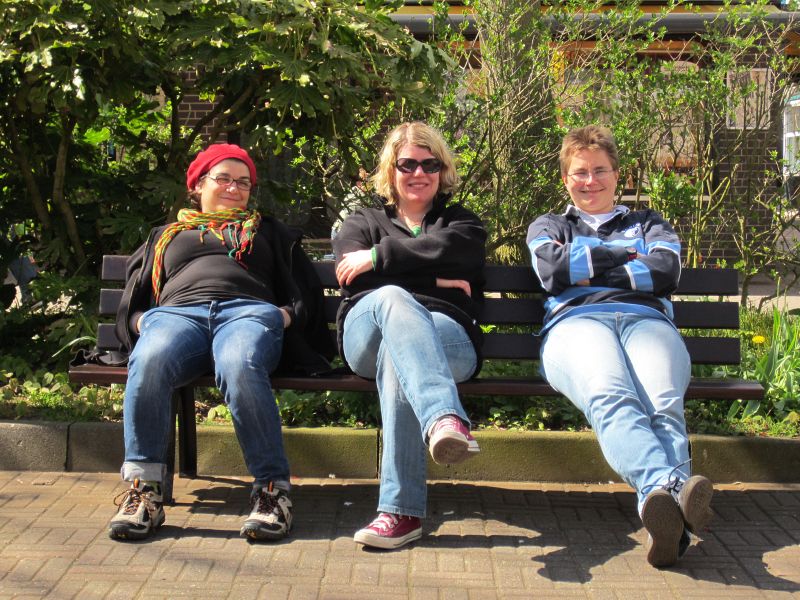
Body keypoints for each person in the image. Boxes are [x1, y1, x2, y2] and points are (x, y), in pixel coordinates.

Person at [109, 143, 333, 542]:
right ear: (198, 184)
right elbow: (136, 290)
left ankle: (272, 492)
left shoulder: (267, 231)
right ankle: (145, 491)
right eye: (224, 178)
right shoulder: (167, 234)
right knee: (151, 359)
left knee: (238, 363)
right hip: (178, 316)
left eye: (244, 182)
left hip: (247, 313)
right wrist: (141, 321)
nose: (234, 187)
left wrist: (284, 315)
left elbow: (304, 290)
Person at [526, 125, 713, 568]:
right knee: (612, 395)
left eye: (600, 170)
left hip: (647, 322)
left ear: (617, 175)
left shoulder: (649, 223)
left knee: (663, 405)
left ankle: (663, 514)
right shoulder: (549, 225)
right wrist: (624, 257)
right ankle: (669, 488)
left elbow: (666, 271)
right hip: (576, 324)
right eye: (580, 172)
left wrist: (587, 267)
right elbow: (552, 270)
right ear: (565, 179)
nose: (590, 181)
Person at [333, 122, 486, 550]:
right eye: (408, 164)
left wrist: (378, 258)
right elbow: (351, 277)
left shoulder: (461, 222)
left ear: (442, 170)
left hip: (447, 338)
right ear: (391, 170)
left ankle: (399, 513)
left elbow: (462, 254)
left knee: (399, 356)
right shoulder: (362, 221)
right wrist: (435, 280)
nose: (419, 173)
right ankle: (444, 418)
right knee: (392, 299)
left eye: (430, 164)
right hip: (367, 332)